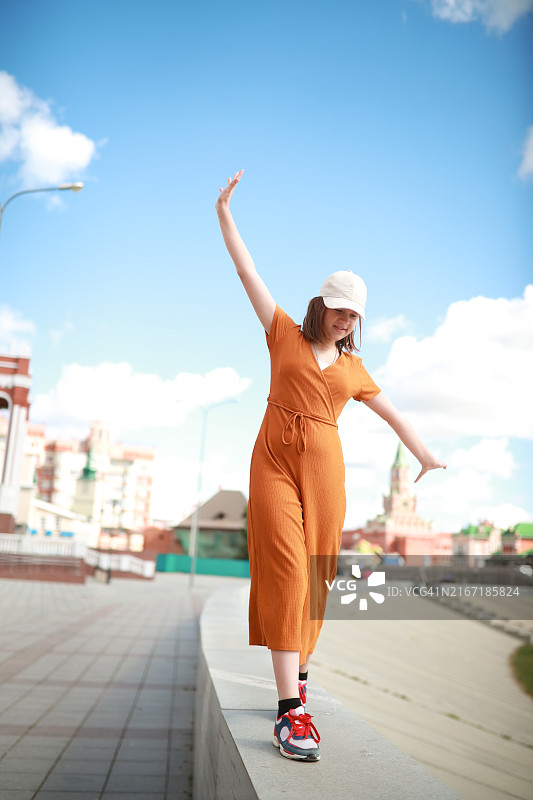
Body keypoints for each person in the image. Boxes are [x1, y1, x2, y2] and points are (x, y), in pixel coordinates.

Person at [215, 170, 446, 763]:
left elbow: (393, 415)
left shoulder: (352, 368)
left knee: (313, 587)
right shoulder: (283, 333)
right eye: (340, 310)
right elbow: (249, 273)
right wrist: (225, 214)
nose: (346, 321)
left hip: (325, 478)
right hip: (272, 466)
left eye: (355, 316)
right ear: (322, 303)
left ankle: (299, 683)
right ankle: (292, 713)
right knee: (289, 574)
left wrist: (423, 455)